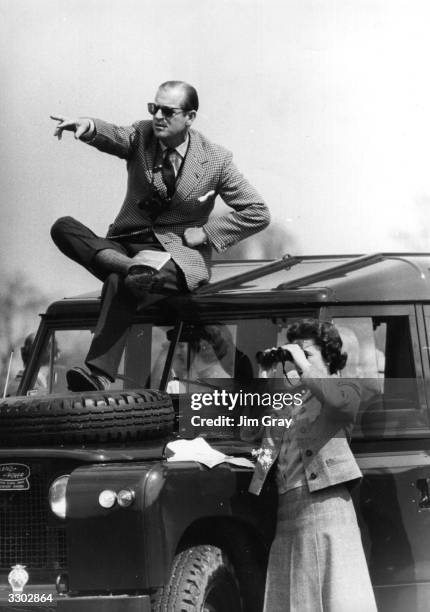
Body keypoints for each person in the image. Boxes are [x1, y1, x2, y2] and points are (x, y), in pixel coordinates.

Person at [50, 81, 270, 392]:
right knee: (63, 227)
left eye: (168, 111)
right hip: (125, 246)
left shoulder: (216, 160)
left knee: (120, 283)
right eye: (154, 108)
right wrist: (87, 126)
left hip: (175, 255)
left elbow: (258, 211)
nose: (158, 117)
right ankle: (130, 268)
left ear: (190, 117)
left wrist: (206, 233)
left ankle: (99, 374)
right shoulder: (142, 136)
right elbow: (114, 135)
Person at [248, 319, 377, 612]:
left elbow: (338, 403)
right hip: (288, 509)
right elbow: (256, 439)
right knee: (294, 600)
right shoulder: (289, 398)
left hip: (325, 506)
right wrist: (265, 380)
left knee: (335, 598)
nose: (297, 362)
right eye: (296, 355)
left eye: (308, 353)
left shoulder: (347, 387)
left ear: (329, 356)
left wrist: (301, 365)